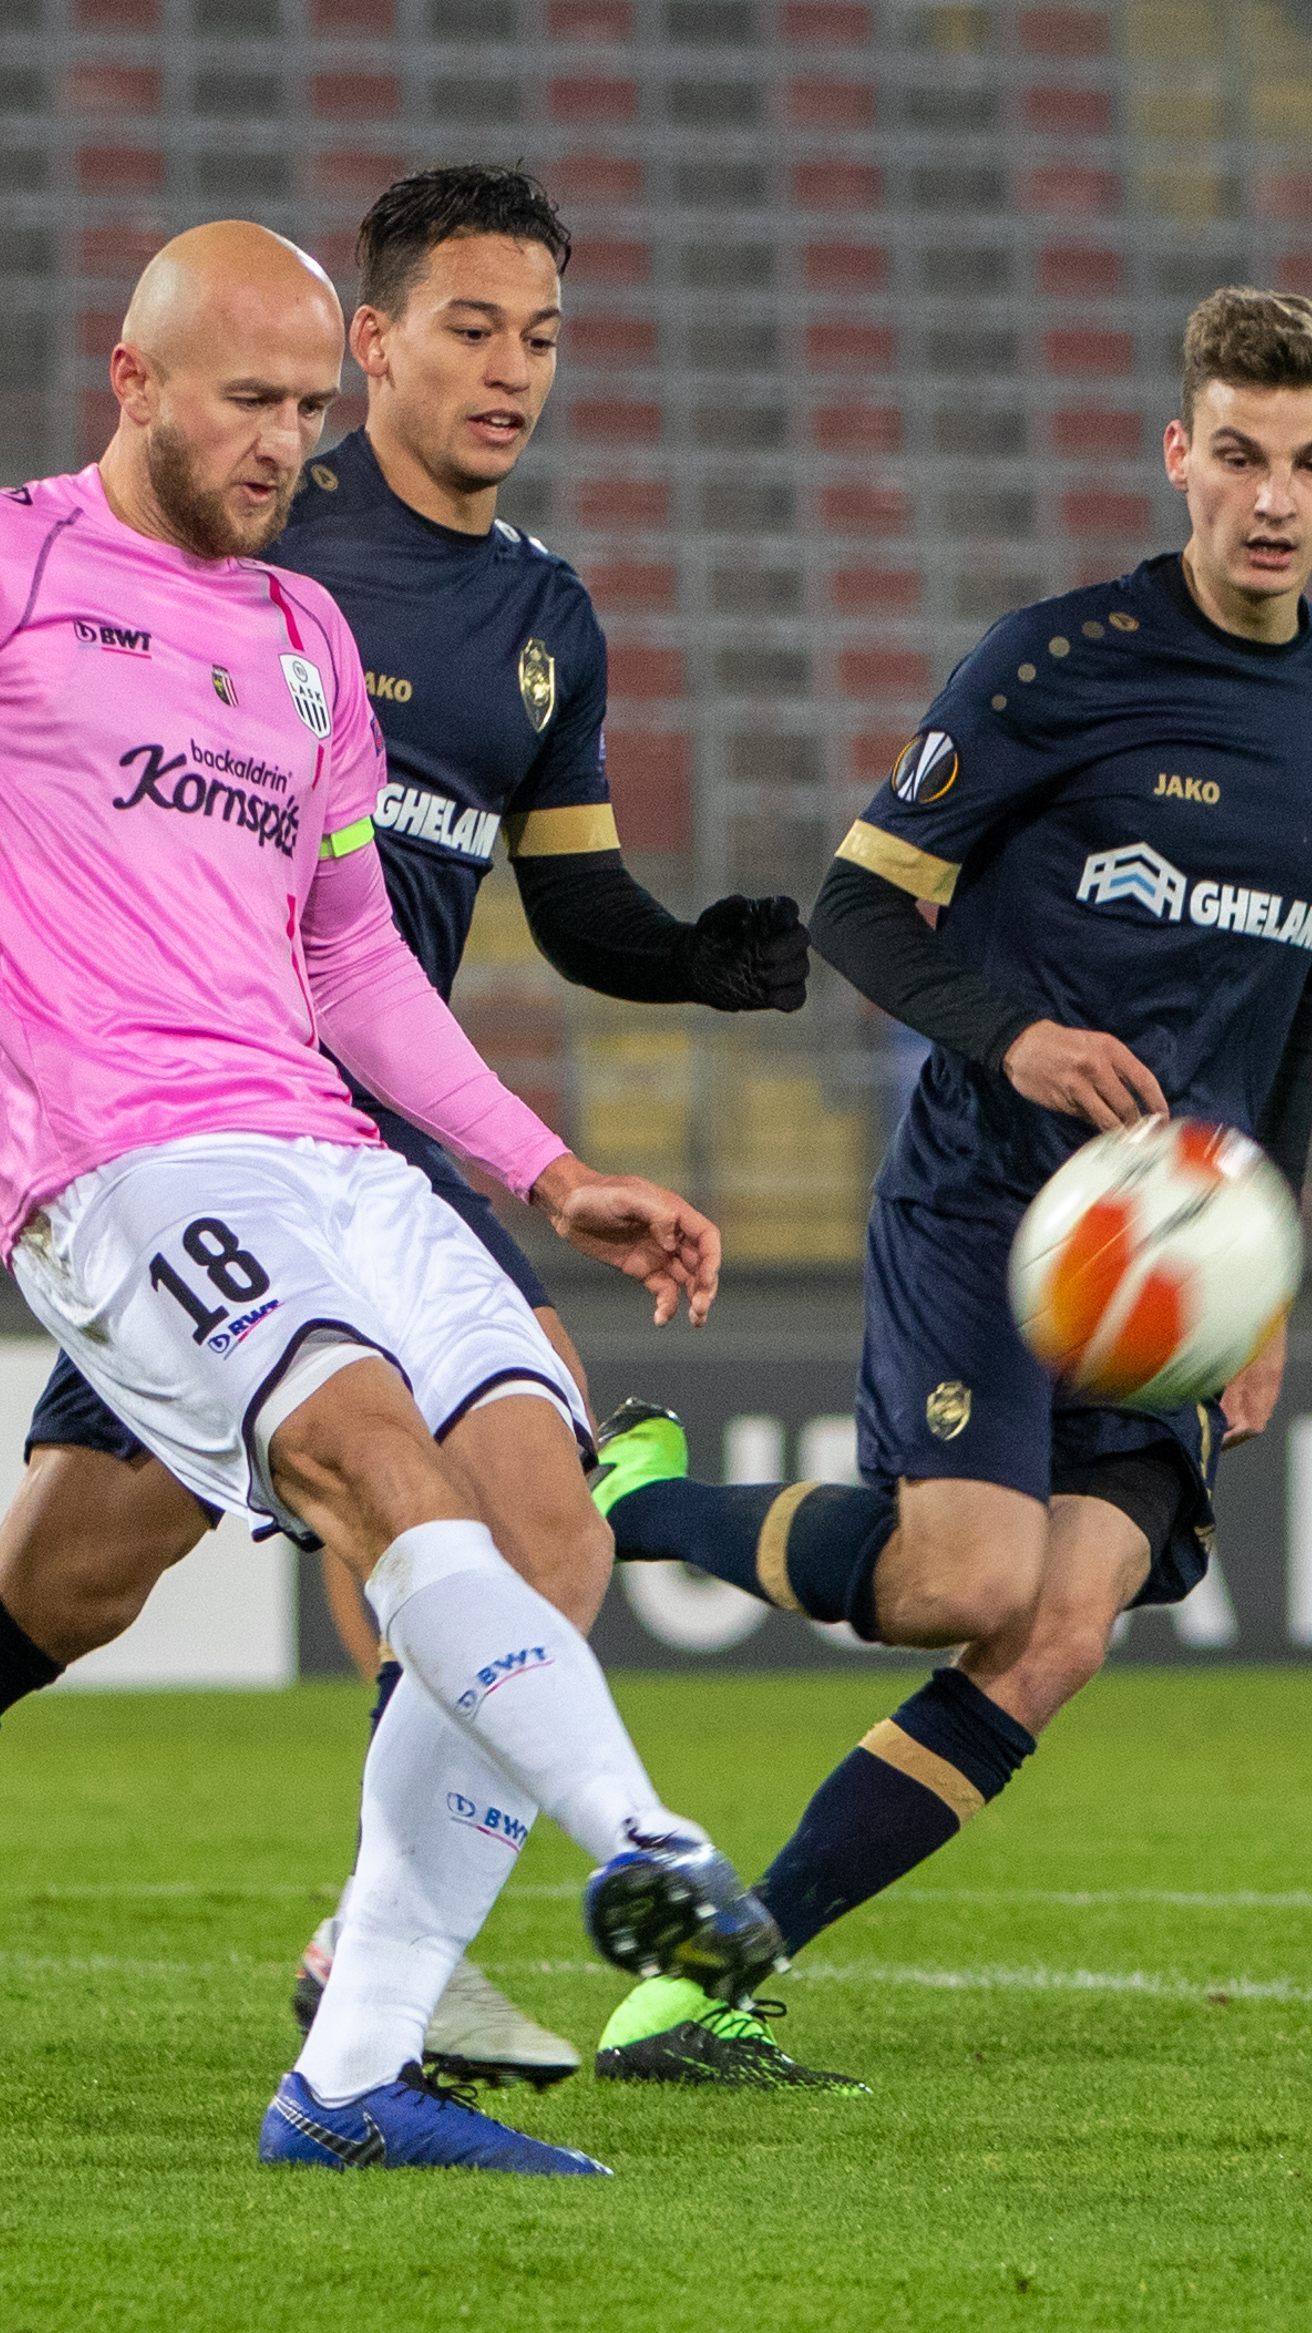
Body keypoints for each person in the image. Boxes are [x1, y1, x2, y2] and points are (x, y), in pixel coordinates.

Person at [0, 167, 808, 2090]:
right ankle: (632, 1856)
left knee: (537, 1501)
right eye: (253, 404)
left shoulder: (324, 639)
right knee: (222, 1522)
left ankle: (361, 2035)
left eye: (297, 413)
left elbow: (360, 966)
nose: (285, 446)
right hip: (137, 1160)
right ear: (136, 381)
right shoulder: (25, 569)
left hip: (342, 1153)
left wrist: (558, 1164)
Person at [588, 285, 1312, 2085]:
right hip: (992, 1205)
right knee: (963, 1583)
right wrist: (1021, 1040)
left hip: (1177, 1255)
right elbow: (852, 904)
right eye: (1239, 454)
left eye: (1306, 463)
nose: (1276, 496)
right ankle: (637, 1505)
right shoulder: (1060, 663)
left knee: (1061, 1635)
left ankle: (711, 1977)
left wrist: (1268, 1271)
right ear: (1180, 457)